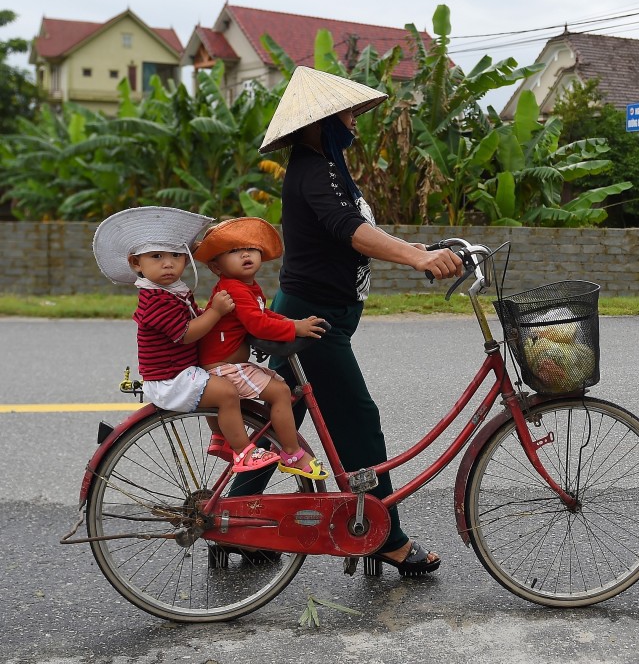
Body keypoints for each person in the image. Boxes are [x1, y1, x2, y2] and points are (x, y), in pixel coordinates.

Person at [258, 66, 465, 576]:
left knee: (275, 424)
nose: (354, 120)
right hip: (315, 324)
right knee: (359, 426)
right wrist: (416, 260)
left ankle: (235, 527)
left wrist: (416, 248)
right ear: (320, 122)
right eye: (345, 113)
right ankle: (386, 538)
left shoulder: (324, 166)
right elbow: (349, 230)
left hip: (310, 312)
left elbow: (354, 229)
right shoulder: (315, 168)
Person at [92, 206, 281, 474]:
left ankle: (220, 439)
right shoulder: (156, 300)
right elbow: (185, 333)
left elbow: (192, 318)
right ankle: (244, 453)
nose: (168, 263)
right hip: (171, 379)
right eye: (156, 256)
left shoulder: (171, 291)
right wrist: (215, 313)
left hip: (180, 373)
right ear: (137, 263)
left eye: (177, 255)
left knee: (220, 386)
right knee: (226, 392)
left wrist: (212, 315)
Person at [195, 217, 328, 480]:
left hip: (228, 365)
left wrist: (291, 322)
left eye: (251, 248)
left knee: (276, 385)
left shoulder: (245, 287)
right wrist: (295, 329)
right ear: (215, 266)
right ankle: (292, 454)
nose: (245, 254)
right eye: (233, 251)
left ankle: (222, 438)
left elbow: (262, 313)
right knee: (279, 392)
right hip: (224, 368)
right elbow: (258, 325)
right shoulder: (235, 288)